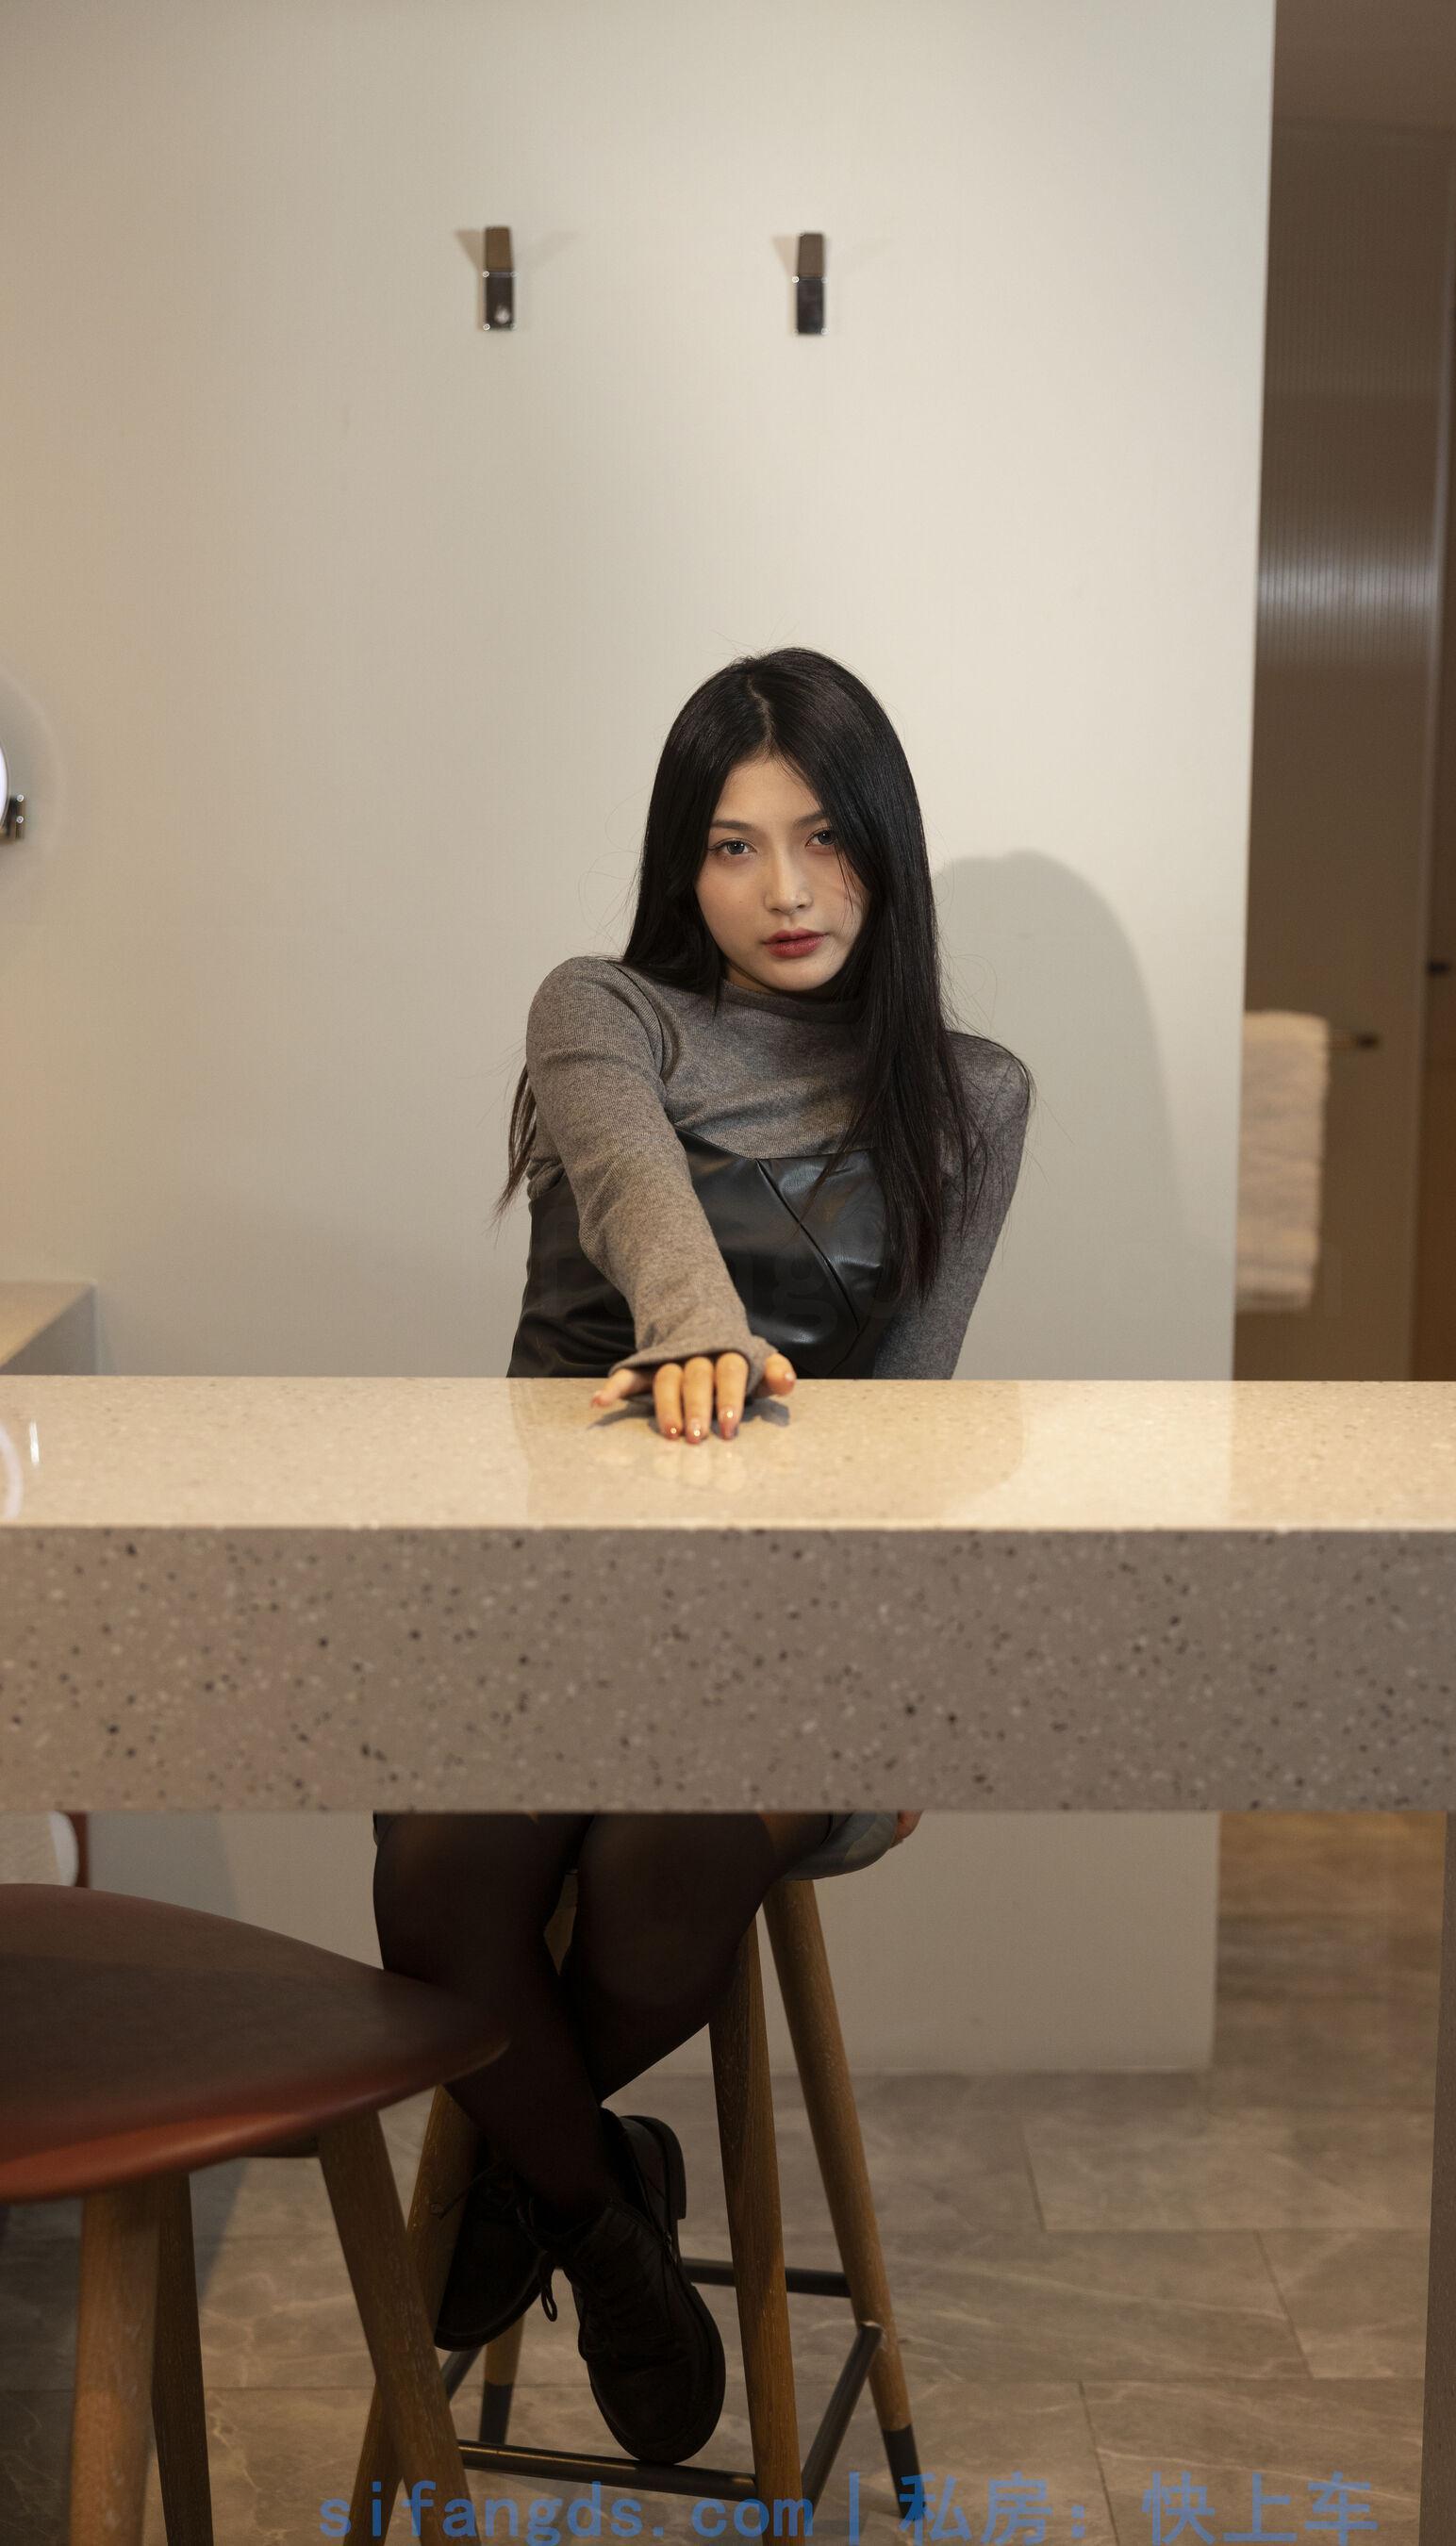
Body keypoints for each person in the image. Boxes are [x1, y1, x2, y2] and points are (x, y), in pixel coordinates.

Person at [371, 646, 1033, 2467]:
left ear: (885, 848)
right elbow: (644, 1205)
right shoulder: (606, 1012)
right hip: (541, 1596)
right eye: (735, 847)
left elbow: (910, 1421)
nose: (786, 890)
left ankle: (528, 2171)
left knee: (663, 1860)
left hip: (788, 1623)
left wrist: (903, 1676)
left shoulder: (972, 1093)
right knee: (438, 1883)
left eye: (824, 839)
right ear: (686, 863)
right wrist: (700, 1334)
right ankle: (605, 2213)